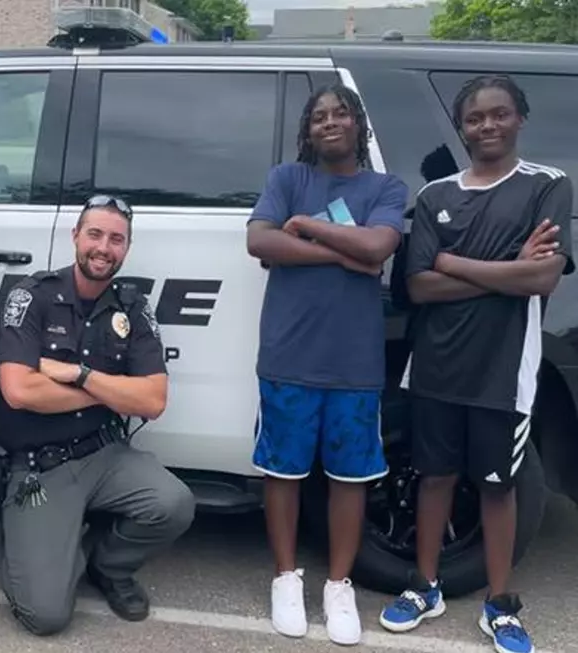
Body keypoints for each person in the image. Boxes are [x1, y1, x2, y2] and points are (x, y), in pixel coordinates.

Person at [379, 75, 573, 653]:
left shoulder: (547, 185)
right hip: (435, 366)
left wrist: (457, 263)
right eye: (475, 117)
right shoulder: (437, 194)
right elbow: (419, 285)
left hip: (502, 370)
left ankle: (500, 604)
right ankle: (424, 585)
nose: (486, 125)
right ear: (461, 125)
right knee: (433, 478)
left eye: (499, 114)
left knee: (497, 486)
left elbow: (541, 278)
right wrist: (502, 270)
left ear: (519, 119)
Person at [245, 84, 408, 645]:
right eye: (319, 116)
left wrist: (308, 227)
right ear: (307, 130)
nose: (330, 122)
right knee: (282, 473)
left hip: (355, 363)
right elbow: (259, 241)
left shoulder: (385, 186)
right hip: (289, 356)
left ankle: (339, 584)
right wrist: (350, 252)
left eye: (341, 113)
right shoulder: (287, 180)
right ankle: (285, 578)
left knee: (350, 479)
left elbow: (381, 245)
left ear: (359, 123)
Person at [0, 194, 195, 636]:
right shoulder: (32, 294)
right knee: (45, 616)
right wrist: (112, 391)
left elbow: (154, 400)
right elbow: (20, 390)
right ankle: (22, 540)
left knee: (174, 503)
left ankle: (109, 566)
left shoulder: (133, 307)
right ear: (75, 237)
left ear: (127, 247)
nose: (104, 247)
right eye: (95, 235)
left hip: (105, 457)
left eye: (116, 239)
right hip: (39, 470)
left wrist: (78, 375)